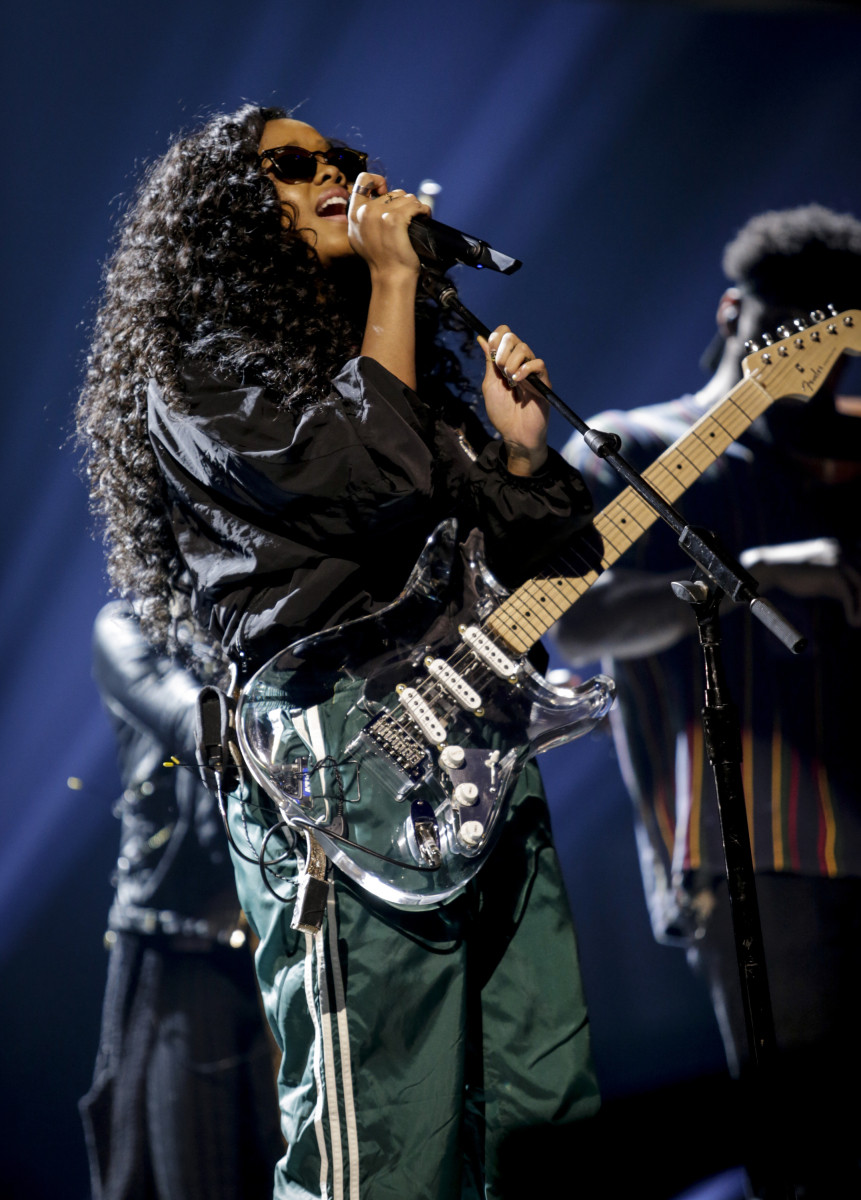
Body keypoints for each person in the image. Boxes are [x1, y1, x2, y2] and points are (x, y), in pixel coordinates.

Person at [76, 103, 603, 1200]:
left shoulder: (398, 371)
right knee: (384, 1138)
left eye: (347, 159)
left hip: (479, 763)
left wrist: (520, 462)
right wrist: (396, 283)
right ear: (232, 213)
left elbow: (550, 564)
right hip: (339, 776)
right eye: (295, 164)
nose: (339, 176)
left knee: (542, 1108)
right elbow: (366, 481)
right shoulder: (196, 373)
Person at [553, 204, 861, 1198]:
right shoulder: (633, 449)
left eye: (834, 337)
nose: (812, 364)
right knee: (806, 1156)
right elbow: (577, 623)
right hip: (754, 844)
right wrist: (755, 574)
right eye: (789, 326)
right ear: (733, 312)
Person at [79, 599, 282, 1200]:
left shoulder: (261, 609)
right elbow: (192, 723)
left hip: (280, 943)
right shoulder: (126, 625)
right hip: (183, 949)